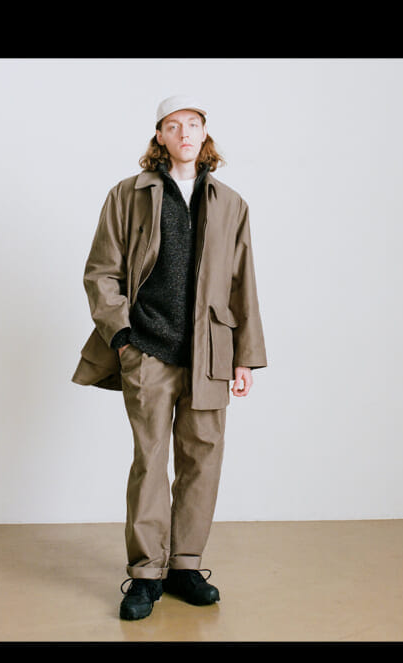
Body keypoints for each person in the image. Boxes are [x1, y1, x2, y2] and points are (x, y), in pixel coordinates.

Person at [72, 95, 268, 620]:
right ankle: (145, 575)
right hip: (147, 349)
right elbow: (101, 271)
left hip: (211, 352)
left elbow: (243, 283)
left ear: (205, 134)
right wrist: (122, 336)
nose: (185, 133)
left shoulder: (231, 203)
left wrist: (245, 357)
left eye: (194, 124)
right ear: (159, 135)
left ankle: (184, 565)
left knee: (203, 460)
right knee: (150, 461)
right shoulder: (128, 194)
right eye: (174, 125)